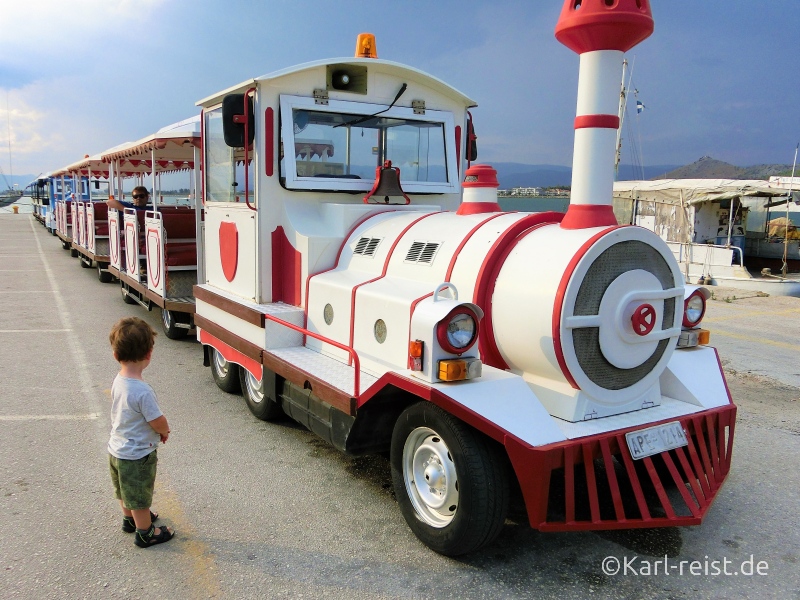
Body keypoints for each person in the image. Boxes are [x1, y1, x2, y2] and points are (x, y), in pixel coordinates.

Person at [107, 317, 175, 548]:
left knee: (124, 489)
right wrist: (164, 431)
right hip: (137, 455)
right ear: (149, 354)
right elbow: (157, 420)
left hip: (116, 450)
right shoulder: (142, 391)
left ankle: (130, 520)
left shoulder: (119, 380)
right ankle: (145, 532)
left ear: (116, 355)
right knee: (139, 495)